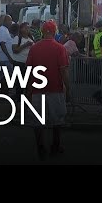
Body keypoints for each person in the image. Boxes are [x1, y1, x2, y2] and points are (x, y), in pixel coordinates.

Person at [25, 20, 71, 161]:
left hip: (37, 90)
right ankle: (55, 146)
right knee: (57, 120)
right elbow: (63, 71)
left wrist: (27, 90)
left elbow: (29, 70)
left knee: (37, 122)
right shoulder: (60, 48)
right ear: (54, 31)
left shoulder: (34, 48)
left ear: (43, 32)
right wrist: (68, 88)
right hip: (55, 89)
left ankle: (40, 147)